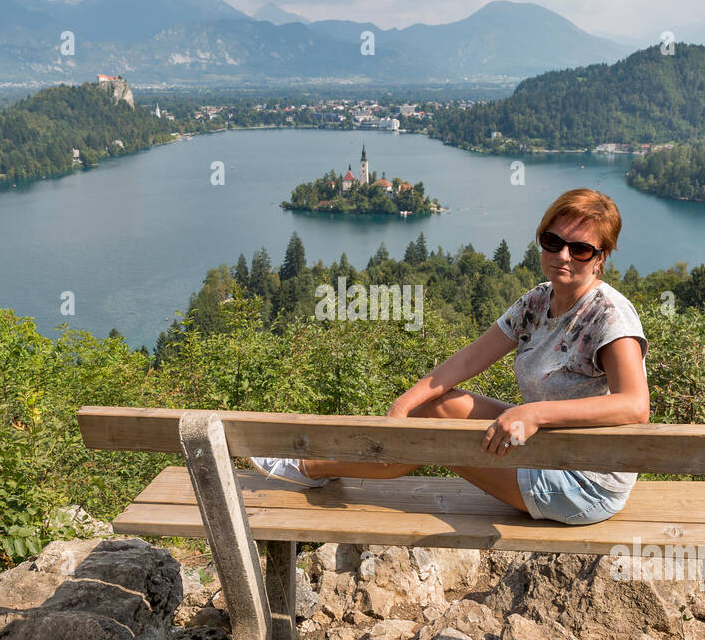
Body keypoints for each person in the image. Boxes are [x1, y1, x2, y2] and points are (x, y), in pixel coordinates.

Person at [252, 188, 650, 525]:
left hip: (584, 484)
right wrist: (404, 404)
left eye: (580, 249)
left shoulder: (608, 317)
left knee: (436, 443)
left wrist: (535, 413)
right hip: (549, 449)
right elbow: (468, 360)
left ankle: (309, 468)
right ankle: (317, 466)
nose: (563, 255)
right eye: (553, 242)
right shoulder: (537, 302)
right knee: (433, 409)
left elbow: (635, 406)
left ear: (601, 257)